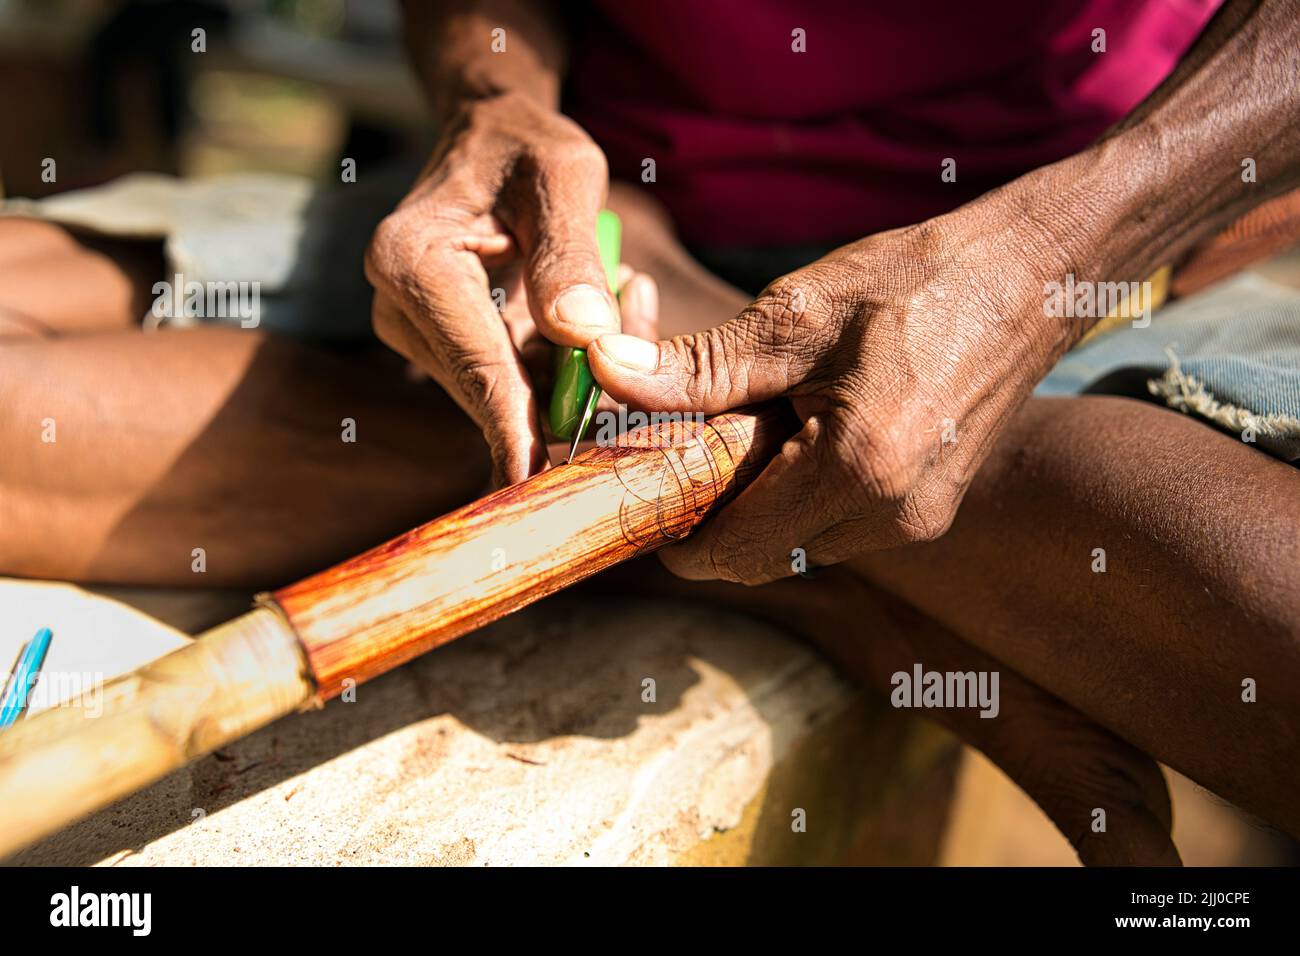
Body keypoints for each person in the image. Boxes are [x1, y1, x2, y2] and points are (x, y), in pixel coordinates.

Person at [2, 0, 1298, 863]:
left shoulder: (1065, 246)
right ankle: (703, 488)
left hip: (1094, 249)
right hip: (605, 240)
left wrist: (1049, 249)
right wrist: (494, 95)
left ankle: (679, 456)